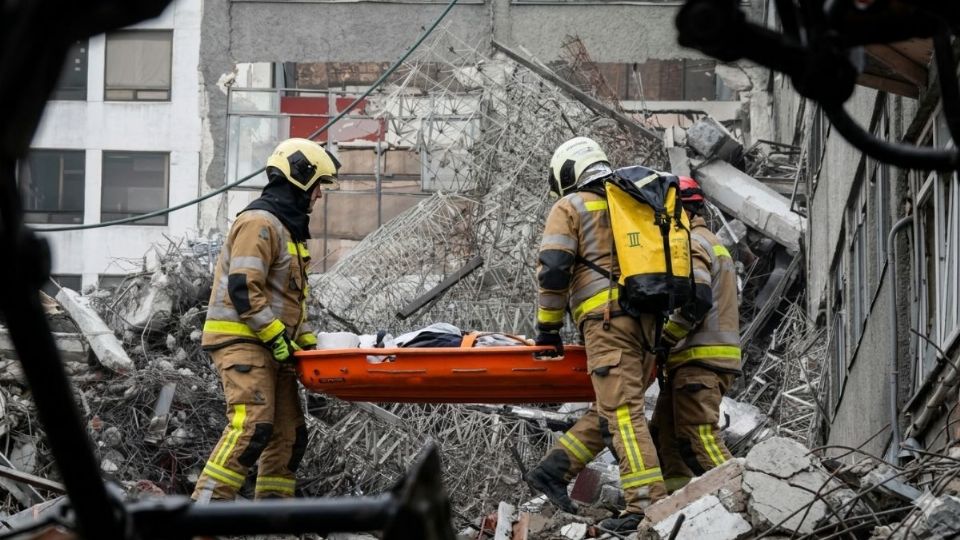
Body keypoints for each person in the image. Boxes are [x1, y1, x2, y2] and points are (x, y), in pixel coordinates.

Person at [526, 137, 666, 532]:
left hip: (608, 322)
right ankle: (552, 470)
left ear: (568, 172)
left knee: (622, 414)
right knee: (611, 409)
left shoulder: (570, 206)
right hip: (648, 322)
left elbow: (554, 268)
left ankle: (644, 505)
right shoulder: (636, 201)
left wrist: (548, 328)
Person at [191, 138, 339, 502]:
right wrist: (276, 338)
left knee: (289, 434)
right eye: (318, 184)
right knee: (252, 425)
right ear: (301, 178)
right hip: (243, 342)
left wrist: (310, 349)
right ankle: (202, 518)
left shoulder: (289, 232)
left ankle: (273, 521)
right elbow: (243, 287)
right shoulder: (259, 223)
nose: (319, 195)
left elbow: (291, 303)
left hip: (274, 347)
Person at [650, 176, 741, 493]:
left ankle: (746, 497)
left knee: (700, 435)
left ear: (678, 211)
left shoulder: (691, 243)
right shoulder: (713, 242)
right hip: (699, 359)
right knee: (667, 436)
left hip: (699, 359)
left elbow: (697, 300)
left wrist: (665, 339)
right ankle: (678, 501)